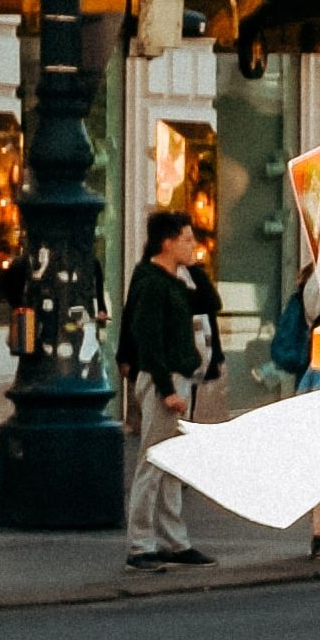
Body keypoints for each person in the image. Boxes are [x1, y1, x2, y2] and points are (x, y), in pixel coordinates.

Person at [117, 210, 225, 569]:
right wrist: (166, 390)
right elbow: (148, 343)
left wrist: (193, 267)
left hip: (179, 377)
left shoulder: (173, 281)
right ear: (167, 242)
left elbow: (210, 303)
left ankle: (174, 541)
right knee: (153, 462)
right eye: (187, 239)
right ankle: (140, 544)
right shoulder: (150, 282)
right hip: (164, 380)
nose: (193, 245)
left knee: (172, 464)